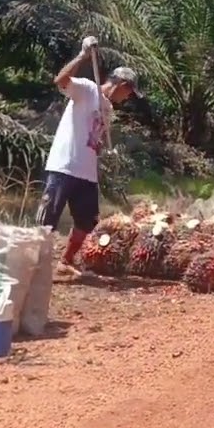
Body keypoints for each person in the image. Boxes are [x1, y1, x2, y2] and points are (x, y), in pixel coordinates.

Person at [37, 36, 143, 276]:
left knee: (87, 222)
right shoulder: (86, 89)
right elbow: (60, 81)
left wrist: (108, 153)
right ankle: (34, 265)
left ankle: (65, 261)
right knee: (47, 220)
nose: (127, 98)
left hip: (87, 172)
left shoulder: (108, 108)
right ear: (122, 85)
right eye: (129, 93)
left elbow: (95, 138)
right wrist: (82, 56)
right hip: (65, 165)